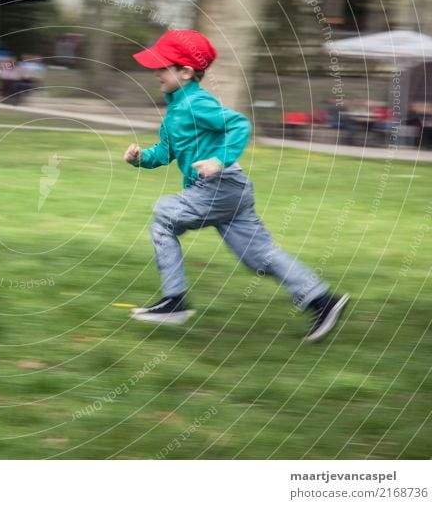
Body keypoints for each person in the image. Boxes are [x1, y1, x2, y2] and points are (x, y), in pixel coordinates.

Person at [124, 30, 349, 342]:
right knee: (258, 257)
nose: (156, 73)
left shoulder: (196, 102)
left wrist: (218, 160)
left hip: (218, 186)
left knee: (164, 215)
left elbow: (239, 124)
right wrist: (140, 158)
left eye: (162, 67)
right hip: (229, 191)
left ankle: (174, 300)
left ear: (186, 72)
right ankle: (322, 300)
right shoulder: (176, 109)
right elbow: (165, 151)